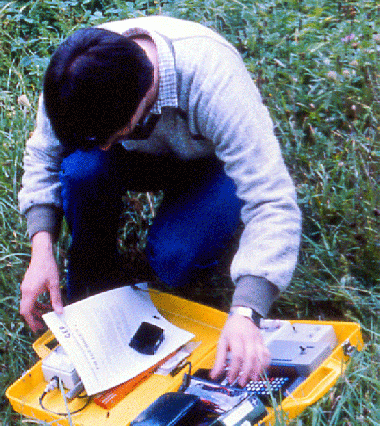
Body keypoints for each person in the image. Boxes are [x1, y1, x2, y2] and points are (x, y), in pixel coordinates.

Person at [18, 15, 301, 386]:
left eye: (110, 134)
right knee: (82, 168)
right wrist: (42, 248)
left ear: (143, 94)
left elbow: (271, 200)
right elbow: (43, 156)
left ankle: (189, 232)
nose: (103, 146)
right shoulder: (76, 77)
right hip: (136, 158)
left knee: (175, 260)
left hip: (209, 165)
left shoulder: (213, 80)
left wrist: (247, 310)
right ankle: (92, 283)